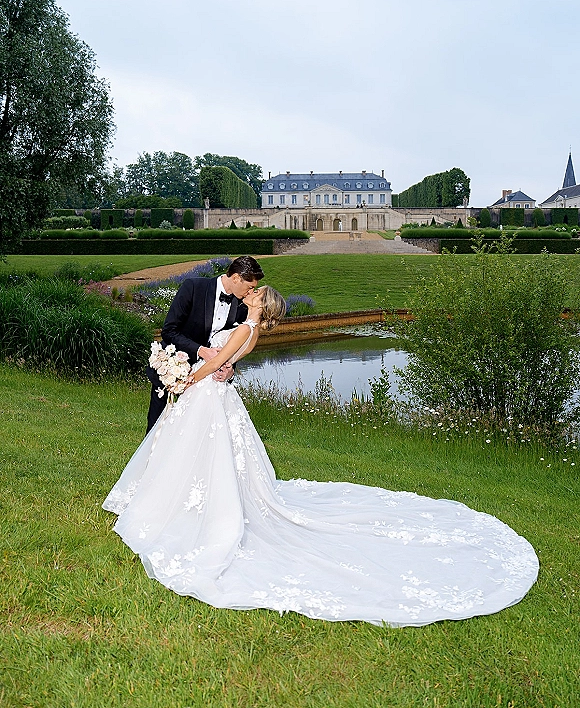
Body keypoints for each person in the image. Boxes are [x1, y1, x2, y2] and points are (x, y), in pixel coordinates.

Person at [103, 288, 539, 628]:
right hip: (221, 396)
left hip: (207, 396)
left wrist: (183, 380)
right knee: (212, 459)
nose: (249, 294)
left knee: (199, 454)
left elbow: (217, 360)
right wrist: (217, 368)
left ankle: (182, 507)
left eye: (254, 295)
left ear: (260, 305)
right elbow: (230, 361)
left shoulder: (243, 328)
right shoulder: (252, 333)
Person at [145, 255, 264, 434]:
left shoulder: (242, 307)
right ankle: (149, 461)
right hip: (171, 369)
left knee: (196, 434)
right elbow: (169, 331)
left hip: (205, 383)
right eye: (250, 287)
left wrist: (230, 369)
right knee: (157, 424)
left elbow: (233, 345)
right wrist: (200, 351)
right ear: (237, 278)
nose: (250, 292)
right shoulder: (193, 287)